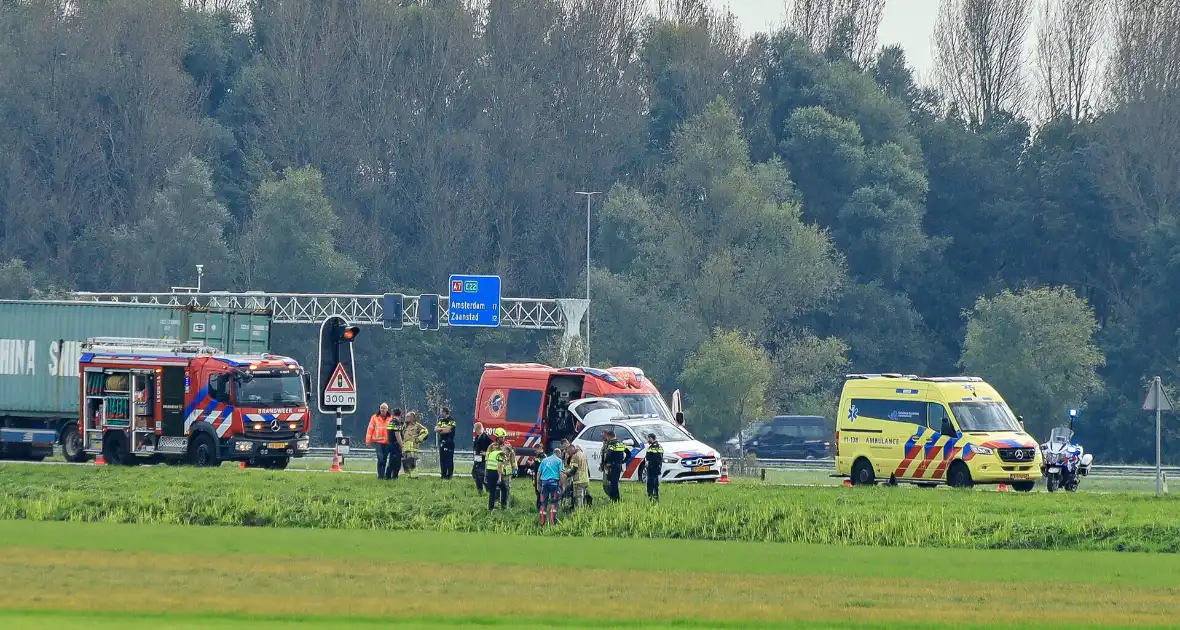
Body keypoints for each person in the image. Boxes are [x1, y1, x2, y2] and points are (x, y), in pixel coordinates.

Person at [365, 403, 393, 479]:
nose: (382, 409)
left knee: (384, 459)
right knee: (380, 459)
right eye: (381, 408)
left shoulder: (391, 418)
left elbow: (393, 431)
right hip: (377, 442)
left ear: (387, 409)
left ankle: (382, 474)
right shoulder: (374, 417)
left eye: (384, 408)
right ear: (379, 408)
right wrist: (368, 441)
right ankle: (380, 476)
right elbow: (370, 429)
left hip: (387, 442)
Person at [485, 428, 511, 511]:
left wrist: (515, 468)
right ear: (496, 437)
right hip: (497, 471)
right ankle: (495, 507)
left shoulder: (508, 446)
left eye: (503, 437)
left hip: (505, 472)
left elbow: (512, 457)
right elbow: (488, 460)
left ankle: (503, 506)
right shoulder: (491, 447)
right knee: (495, 491)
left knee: (505, 488)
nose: (502, 439)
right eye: (500, 437)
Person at [600, 429, 628, 502]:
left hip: (612, 465)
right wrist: (623, 461)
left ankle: (615, 499)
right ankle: (615, 499)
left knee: (613, 483)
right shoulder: (621, 443)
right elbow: (629, 454)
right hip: (619, 465)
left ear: (609, 436)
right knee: (615, 482)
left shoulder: (612, 444)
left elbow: (608, 454)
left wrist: (605, 463)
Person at [538, 447, 564, 526]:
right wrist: (562, 484)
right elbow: (561, 473)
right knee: (554, 502)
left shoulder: (544, 460)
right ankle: (553, 522)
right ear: (558, 453)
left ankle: (542, 522)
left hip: (544, 483)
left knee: (543, 503)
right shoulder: (559, 461)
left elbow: (539, 473)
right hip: (554, 484)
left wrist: (538, 484)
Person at [401, 411, 429, 478]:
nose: (406, 418)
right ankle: (408, 477)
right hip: (405, 447)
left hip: (413, 447)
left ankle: (415, 477)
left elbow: (425, 432)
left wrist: (419, 439)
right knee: (405, 462)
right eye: (406, 416)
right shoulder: (404, 426)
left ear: (412, 418)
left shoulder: (417, 425)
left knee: (411, 462)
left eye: (408, 417)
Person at [435, 407, 457, 480]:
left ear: (445, 412)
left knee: (449, 459)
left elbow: (448, 430)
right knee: (442, 459)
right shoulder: (441, 420)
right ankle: (443, 474)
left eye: (441, 412)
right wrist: (442, 429)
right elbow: (436, 429)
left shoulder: (452, 420)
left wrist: (441, 430)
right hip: (442, 442)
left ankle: (449, 475)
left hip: (449, 442)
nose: (440, 413)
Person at [384, 408, 405, 480]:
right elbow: (397, 435)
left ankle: (388, 476)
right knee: (396, 462)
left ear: (393, 414)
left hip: (390, 443)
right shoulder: (396, 423)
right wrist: (402, 446)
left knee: (391, 461)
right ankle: (394, 477)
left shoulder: (390, 422)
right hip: (396, 445)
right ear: (400, 414)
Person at [472, 422, 493, 494]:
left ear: (478, 429)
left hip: (483, 459)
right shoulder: (478, 436)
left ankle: (487, 489)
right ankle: (480, 489)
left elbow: (493, 447)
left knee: (480, 475)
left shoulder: (486, 437)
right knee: (474, 473)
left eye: (475, 429)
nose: (475, 431)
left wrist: (486, 453)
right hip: (477, 458)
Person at [643, 432, 664, 501]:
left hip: (652, 468)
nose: (647, 441)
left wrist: (649, 464)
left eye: (648, 439)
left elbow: (651, 457)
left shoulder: (653, 447)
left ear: (651, 438)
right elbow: (660, 457)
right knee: (655, 484)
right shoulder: (659, 446)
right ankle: (656, 497)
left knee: (651, 484)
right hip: (657, 467)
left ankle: (651, 497)